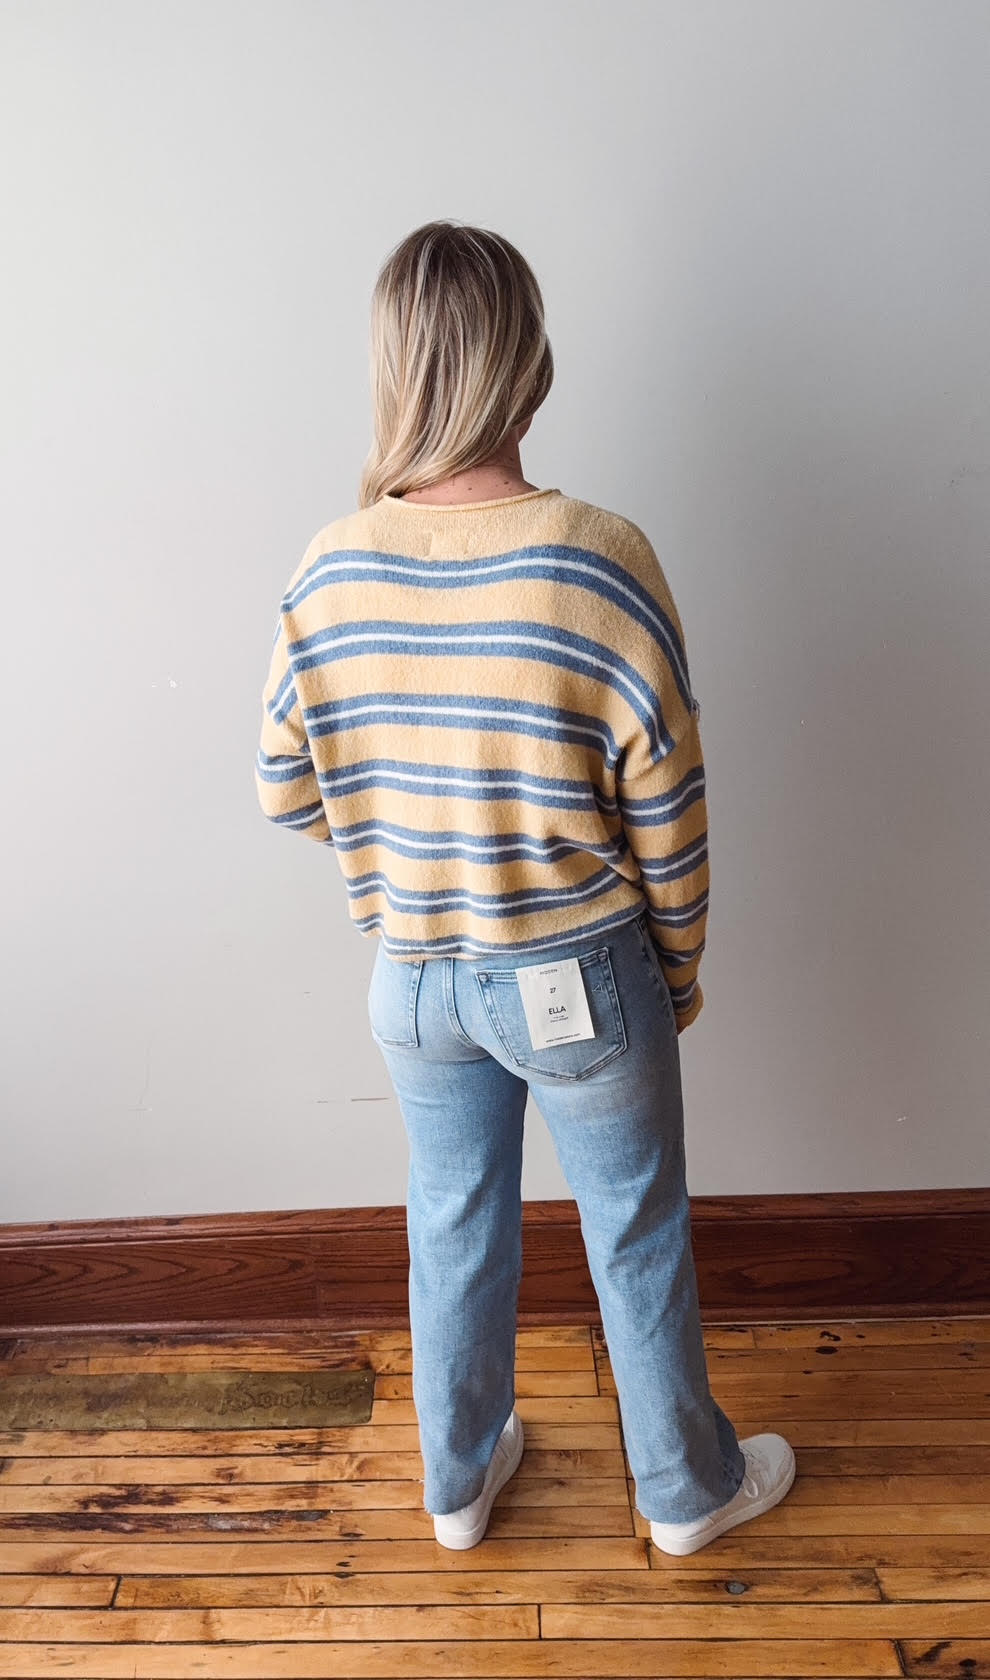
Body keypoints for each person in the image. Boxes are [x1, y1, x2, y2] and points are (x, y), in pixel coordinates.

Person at [255, 218, 795, 1555]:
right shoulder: (596, 555)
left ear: (395, 366)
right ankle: (683, 1493)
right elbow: (664, 803)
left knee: (451, 1224)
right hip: (576, 966)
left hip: (415, 977)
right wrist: (673, 970)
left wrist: (403, 870)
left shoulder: (327, 565)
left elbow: (285, 787)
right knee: (632, 1230)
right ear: (526, 360)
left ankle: (456, 1482)